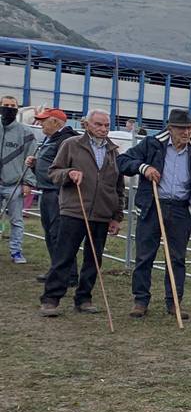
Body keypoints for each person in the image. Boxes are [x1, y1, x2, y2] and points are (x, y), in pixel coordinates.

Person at [117, 108, 191, 320]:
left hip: (181, 210)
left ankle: (174, 301)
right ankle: (140, 300)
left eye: (188, 128)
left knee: (177, 258)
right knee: (144, 255)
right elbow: (122, 161)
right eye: (181, 128)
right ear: (170, 128)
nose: (186, 132)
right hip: (153, 205)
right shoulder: (152, 144)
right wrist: (143, 168)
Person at [39, 111, 125, 316]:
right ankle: (51, 298)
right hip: (74, 211)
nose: (103, 129)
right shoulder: (71, 144)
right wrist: (68, 173)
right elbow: (53, 172)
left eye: (106, 125)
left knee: (94, 259)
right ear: (87, 124)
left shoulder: (113, 152)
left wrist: (116, 216)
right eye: (98, 124)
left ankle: (84, 298)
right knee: (64, 256)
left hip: (102, 214)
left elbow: (118, 187)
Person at [26, 108, 79, 284]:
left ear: (56, 122)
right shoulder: (51, 139)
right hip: (47, 190)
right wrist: (35, 165)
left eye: (44, 120)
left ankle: (67, 274)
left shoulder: (66, 140)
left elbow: (63, 167)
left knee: (59, 234)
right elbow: (50, 165)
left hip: (59, 193)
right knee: (50, 233)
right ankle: (57, 270)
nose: (40, 124)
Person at [0, 94, 37, 264]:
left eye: (12, 105)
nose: (9, 108)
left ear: (17, 108)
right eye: (5, 105)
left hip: (14, 184)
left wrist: (28, 182)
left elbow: (30, 159)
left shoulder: (26, 133)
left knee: (16, 220)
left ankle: (16, 251)